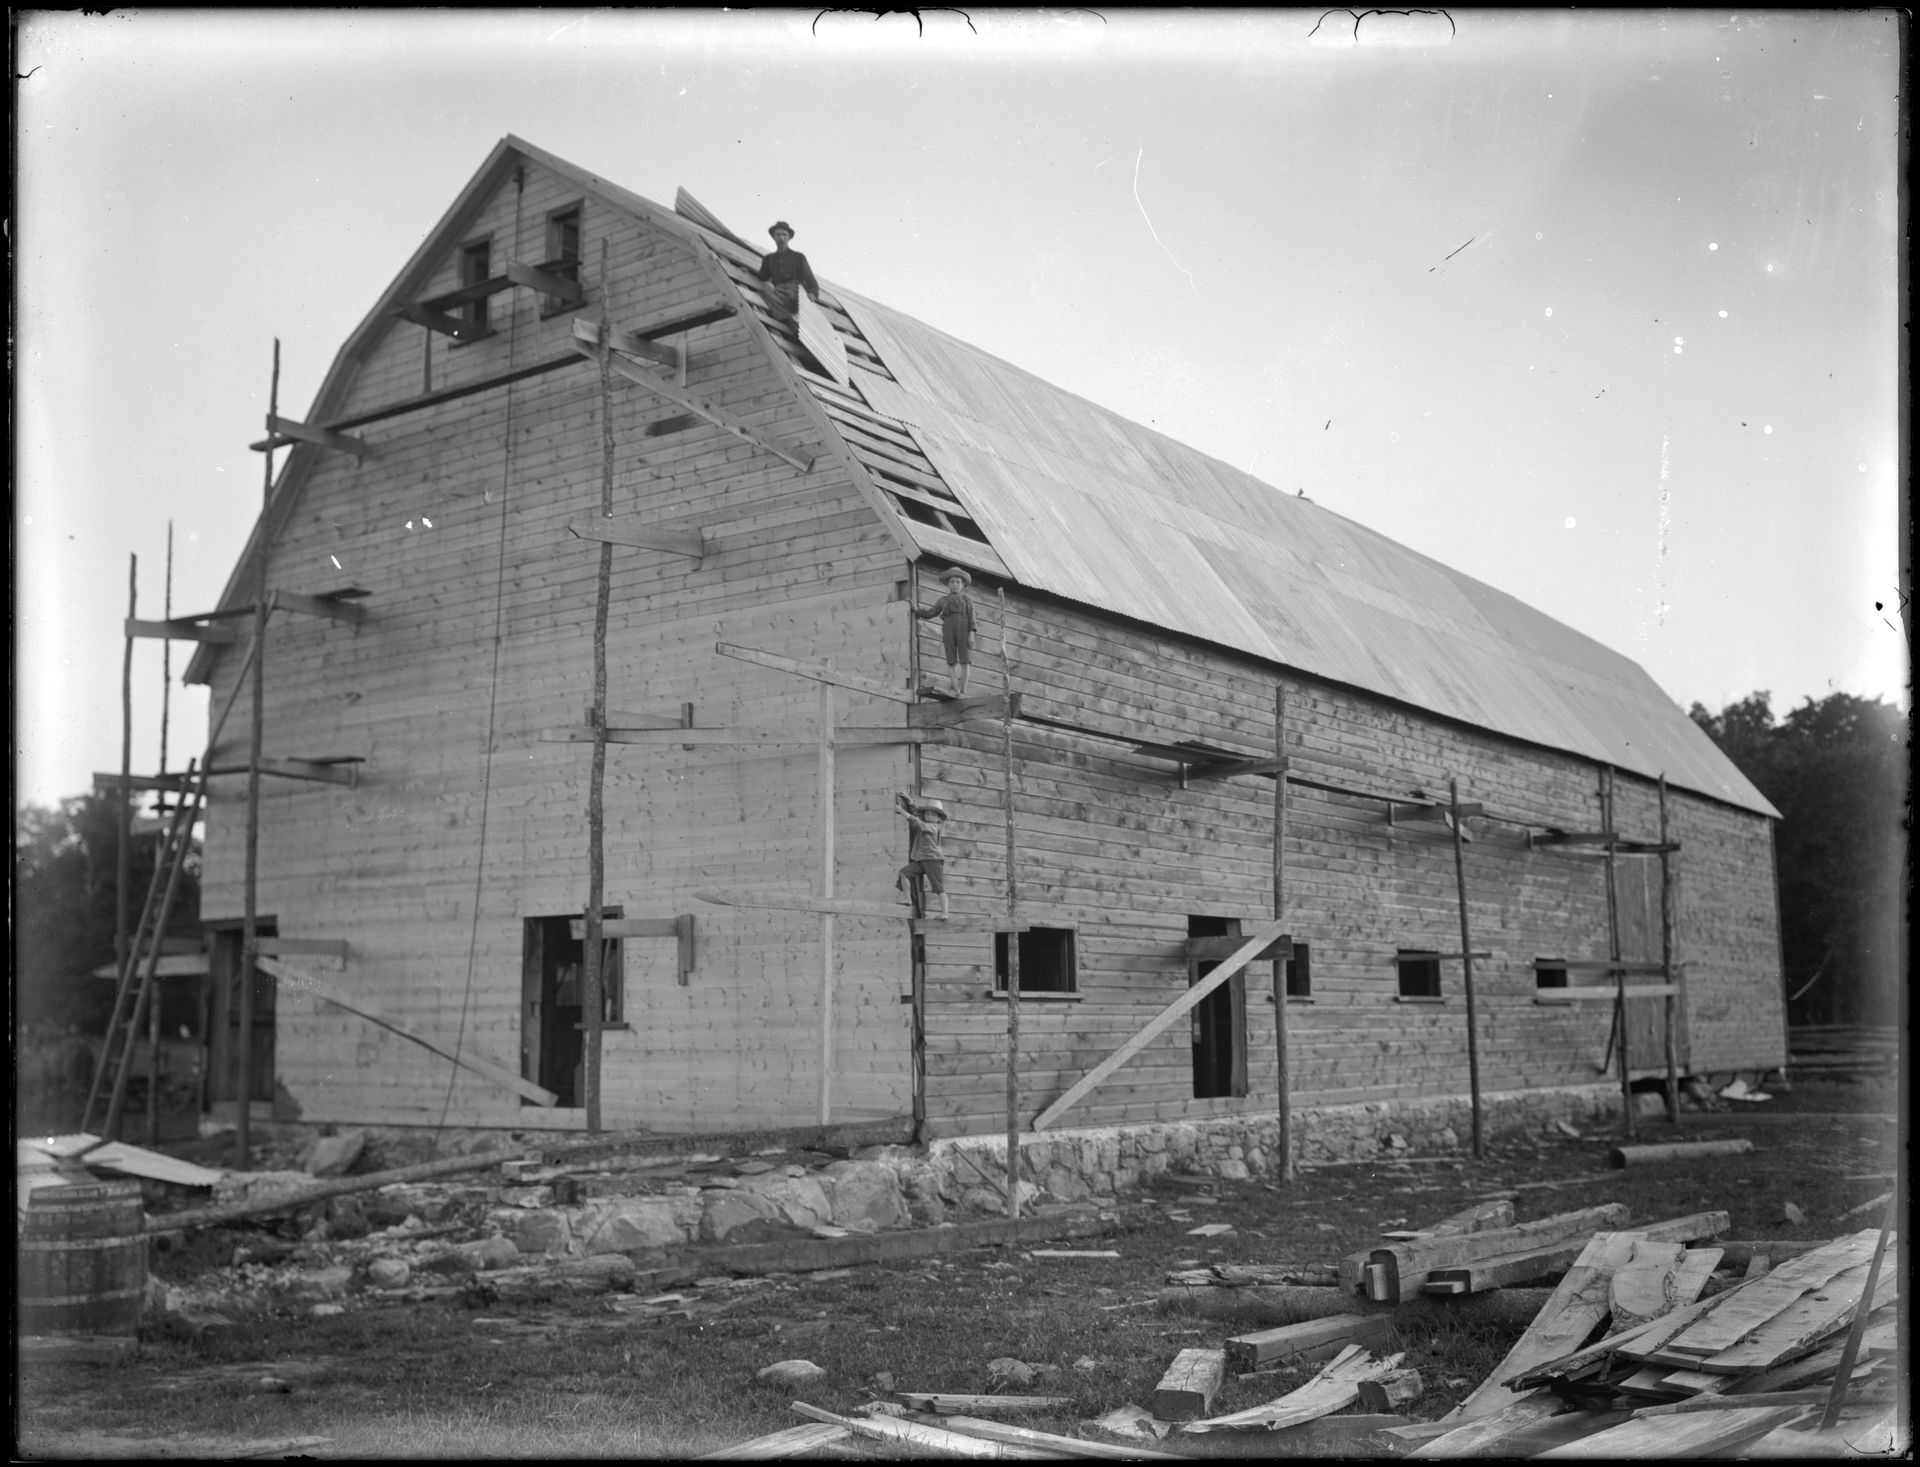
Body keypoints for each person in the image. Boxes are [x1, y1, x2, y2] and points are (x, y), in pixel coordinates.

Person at [915, 567, 976, 696]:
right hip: (948, 629)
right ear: (948, 584)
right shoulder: (942, 600)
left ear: (963, 585)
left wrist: (971, 634)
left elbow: (972, 617)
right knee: (951, 659)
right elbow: (931, 613)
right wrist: (916, 610)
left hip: (963, 628)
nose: (955, 584)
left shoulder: (967, 600)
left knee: (965, 659)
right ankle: (956, 689)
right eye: (952, 582)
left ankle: (964, 690)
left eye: (958, 582)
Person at [896, 794, 950, 920]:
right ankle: (907, 898)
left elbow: (917, 821)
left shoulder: (933, 827)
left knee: (938, 887)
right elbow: (917, 815)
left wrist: (901, 811)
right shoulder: (926, 821)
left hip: (933, 860)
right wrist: (910, 802)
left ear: (938, 819)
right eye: (927, 814)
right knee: (903, 873)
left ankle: (945, 913)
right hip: (922, 860)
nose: (928, 816)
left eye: (933, 814)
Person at [757, 220, 819, 321]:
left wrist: (812, 294)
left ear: (789, 237)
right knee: (764, 292)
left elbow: (810, 280)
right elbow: (762, 276)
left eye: (784, 235)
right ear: (774, 237)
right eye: (778, 235)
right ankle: (789, 320)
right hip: (780, 293)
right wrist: (743, 270)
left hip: (795, 292)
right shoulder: (769, 259)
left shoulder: (798, 257)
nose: (781, 238)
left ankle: (789, 318)